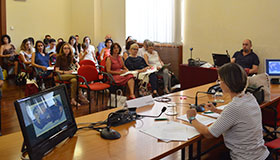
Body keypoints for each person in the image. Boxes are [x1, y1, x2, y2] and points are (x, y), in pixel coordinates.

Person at [186, 63, 272, 160]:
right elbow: (238, 117)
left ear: (227, 83)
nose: (219, 83)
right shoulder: (250, 97)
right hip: (263, 155)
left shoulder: (234, 107)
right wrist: (216, 110)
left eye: (220, 80)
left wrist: (192, 118)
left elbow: (208, 133)